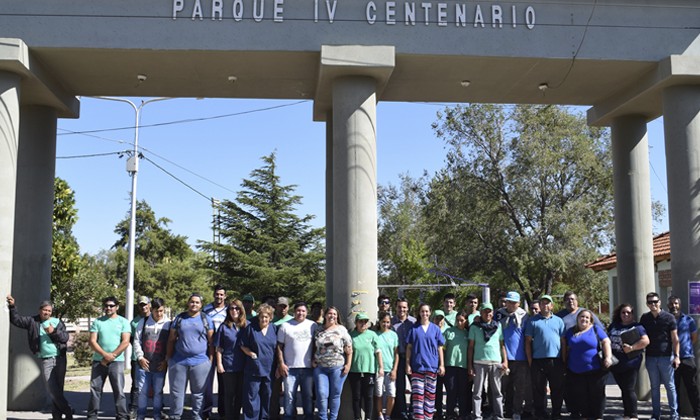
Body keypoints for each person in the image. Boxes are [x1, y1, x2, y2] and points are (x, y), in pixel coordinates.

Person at [7, 295, 73, 420]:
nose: (46, 312)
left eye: (49, 311)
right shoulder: (32, 321)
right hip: (46, 360)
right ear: (40, 310)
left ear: (51, 312)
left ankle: (57, 416)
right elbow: (16, 320)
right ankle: (67, 409)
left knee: (59, 389)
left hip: (60, 358)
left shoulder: (57, 322)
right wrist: (12, 307)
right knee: (52, 389)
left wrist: (53, 331)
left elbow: (65, 338)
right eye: (44, 310)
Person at [554, 291, 603, 419]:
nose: (570, 301)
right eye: (567, 300)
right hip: (569, 358)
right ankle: (574, 412)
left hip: (592, 362)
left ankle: (594, 414)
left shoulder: (586, 313)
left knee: (593, 390)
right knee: (572, 389)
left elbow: (600, 330)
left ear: (577, 301)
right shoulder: (559, 316)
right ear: (563, 302)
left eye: (573, 299)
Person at [167, 292, 215, 420]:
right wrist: (169, 359)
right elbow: (171, 339)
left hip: (200, 362)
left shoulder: (206, 319)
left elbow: (212, 342)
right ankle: (175, 416)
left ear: (201, 305)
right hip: (179, 362)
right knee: (177, 393)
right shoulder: (180, 318)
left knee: (198, 394)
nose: (194, 304)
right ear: (188, 303)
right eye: (192, 302)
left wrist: (210, 361)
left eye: (197, 302)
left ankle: (197, 417)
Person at [88, 296, 132, 420]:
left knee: (119, 390)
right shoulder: (98, 321)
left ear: (117, 307)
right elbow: (92, 341)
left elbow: (125, 342)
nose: (108, 308)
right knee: (95, 390)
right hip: (98, 361)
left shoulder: (123, 322)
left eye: (111, 305)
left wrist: (110, 357)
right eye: (106, 305)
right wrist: (105, 355)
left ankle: (122, 416)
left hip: (116, 362)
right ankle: (92, 416)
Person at [564, 309, 612, 420]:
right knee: (581, 395)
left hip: (596, 369)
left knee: (597, 394)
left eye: (587, 317)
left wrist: (608, 357)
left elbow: (606, 342)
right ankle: (584, 415)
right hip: (575, 370)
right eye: (582, 316)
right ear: (578, 318)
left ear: (590, 320)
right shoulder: (571, 331)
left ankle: (597, 416)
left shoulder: (596, 329)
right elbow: (566, 348)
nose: (584, 319)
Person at [524, 295, 566, 420]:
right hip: (538, 361)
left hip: (556, 360)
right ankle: (540, 413)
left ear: (552, 306)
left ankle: (556, 414)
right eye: (543, 303)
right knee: (538, 390)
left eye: (548, 303)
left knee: (557, 390)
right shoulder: (532, 321)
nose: (545, 305)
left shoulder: (558, 320)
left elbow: (563, 341)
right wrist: (530, 360)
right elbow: (527, 342)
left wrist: (563, 359)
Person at [640, 292, 680, 420]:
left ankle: (674, 414)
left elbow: (675, 338)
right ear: (647, 304)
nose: (653, 304)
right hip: (651, 357)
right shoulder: (645, 318)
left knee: (670, 386)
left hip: (666, 357)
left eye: (655, 301)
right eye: (650, 302)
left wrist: (677, 356)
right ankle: (656, 414)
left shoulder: (669, 317)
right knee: (654, 387)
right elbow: (641, 335)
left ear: (660, 302)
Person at [607, 303, 649, 420]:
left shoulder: (637, 327)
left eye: (628, 312)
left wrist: (632, 348)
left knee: (629, 389)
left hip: (631, 363)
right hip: (615, 363)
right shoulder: (614, 325)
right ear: (619, 314)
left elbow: (645, 341)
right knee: (624, 390)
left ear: (632, 315)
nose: (626, 314)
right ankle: (626, 415)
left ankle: (634, 416)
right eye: (623, 312)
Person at [277, 301, 317, 420]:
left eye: (303, 311)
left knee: (308, 396)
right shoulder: (285, 325)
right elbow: (279, 346)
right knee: (289, 396)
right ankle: (288, 417)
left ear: (307, 312)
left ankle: (308, 417)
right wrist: (281, 364)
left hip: (308, 368)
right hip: (290, 368)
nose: (301, 313)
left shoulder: (312, 325)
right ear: (294, 312)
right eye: (298, 311)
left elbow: (316, 345)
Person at [468, 303, 507, 420]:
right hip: (479, 362)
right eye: (485, 311)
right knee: (477, 392)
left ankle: (498, 415)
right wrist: (470, 365)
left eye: (489, 311)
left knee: (497, 392)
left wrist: (505, 361)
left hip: (495, 362)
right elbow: (470, 347)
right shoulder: (474, 327)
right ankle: (477, 416)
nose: (487, 314)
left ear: (493, 313)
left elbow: (502, 345)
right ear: (480, 313)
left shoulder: (498, 326)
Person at [406, 303, 445, 420]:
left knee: (430, 395)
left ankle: (428, 417)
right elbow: (409, 347)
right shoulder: (414, 328)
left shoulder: (435, 329)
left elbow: (440, 347)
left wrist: (442, 365)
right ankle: (419, 418)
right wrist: (407, 365)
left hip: (432, 366)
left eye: (427, 311)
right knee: (418, 396)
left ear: (430, 313)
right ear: (419, 313)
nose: (424, 314)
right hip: (417, 366)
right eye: (422, 311)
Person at [312, 306, 353, 420]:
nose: (332, 316)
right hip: (321, 368)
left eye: (334, 314)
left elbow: (349, 348)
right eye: (330, 313)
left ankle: (333, 418)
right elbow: (314, 346)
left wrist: (348, 365)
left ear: (337, 317)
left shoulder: (341, 330)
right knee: (321, 394)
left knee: (335, 395)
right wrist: (312, 359)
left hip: (337, 367)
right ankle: (323, 418)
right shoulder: (318, 329)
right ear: (325, 315)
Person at [134, 297, 171, 420]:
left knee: (158, 393)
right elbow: (136, 341)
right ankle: (141, 416)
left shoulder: (168, 324)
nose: (159, 314)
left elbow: (171, 344)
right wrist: (140, 357)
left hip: (160, 365)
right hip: (144, 365)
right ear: (152, 310)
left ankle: (157, 416)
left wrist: (166, 360)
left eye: (161, 311)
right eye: (156, 311)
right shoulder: (143, 322)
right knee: (143, 393)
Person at [495, 291, 530, 420]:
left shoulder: (525, 316)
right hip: (504, 358)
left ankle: (517, 411)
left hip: (520, 358)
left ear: (519, 303)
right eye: (509, 302)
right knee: (505, 387)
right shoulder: (498, 315)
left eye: (514, 302)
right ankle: (508, 409)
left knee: (519, 388)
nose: (511, 304)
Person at [240, 303, 278, 420]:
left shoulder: (274, 328)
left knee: (267, 395)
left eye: (266, 317)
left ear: (270, 318)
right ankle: (251, 418)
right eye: (262, 316)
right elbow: (242, 345)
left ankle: (264, 418)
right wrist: (250, 353)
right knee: (251, 396)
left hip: (269, 368)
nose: (264, 319)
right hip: (254, 367)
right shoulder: (251, 328)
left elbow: (278, 348)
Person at [214, 298, 248, 420]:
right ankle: (229, 417)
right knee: (229, 393)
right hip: (228, 365)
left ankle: (236, 416)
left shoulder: (247, 326)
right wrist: (219, 364)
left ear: (241, 310)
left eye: (237, 308)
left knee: (240, 393)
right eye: (232, 308)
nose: (234, 311)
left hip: (244, 365)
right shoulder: (224, 327)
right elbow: (218, 347)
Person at [668, 295, 700, 420]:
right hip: (671, 359)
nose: (673, 306)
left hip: (687, 358)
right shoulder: (666, 320)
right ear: (667, 306)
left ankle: (697, 412)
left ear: (679, 305)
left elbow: (694, 338)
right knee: (674, 387)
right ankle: (677, 413)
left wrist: (683, 349)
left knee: (691, 386)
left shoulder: (689, 320)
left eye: (676, 303)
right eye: (671, 304)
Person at [349, 312, 382, 420]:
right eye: (360, 321)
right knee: (356, 397)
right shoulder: (351, 335)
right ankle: (357, 417)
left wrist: (380, 367)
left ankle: (368, 417)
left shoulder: (372, 335)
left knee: (368, 397)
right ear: (356, 323)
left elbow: (378, 352)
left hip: (370, 370)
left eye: (365, 321)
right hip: (355, 370)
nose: (363, 323)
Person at [203, 285, 228, 420]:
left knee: (223, 384)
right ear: (214, 294)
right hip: (209, 349)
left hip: (224, 351)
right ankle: (206, 412)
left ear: (225, 296)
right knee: (207, 383)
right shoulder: (206, 309)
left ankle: (223, 412)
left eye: (221, 294)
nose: (219, 297)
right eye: (217, 294)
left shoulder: (229, 310)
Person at [391, 297, 416, 420]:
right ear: (395, 307)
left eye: (404, 307)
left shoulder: (413, 322)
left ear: (408, 308)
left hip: (413, 359)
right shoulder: (390, 322)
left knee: (415, 387)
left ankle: (412, 413)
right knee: (399, 388)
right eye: (399, 307)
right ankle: (402, 414)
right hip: (398, 359)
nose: (402, 309)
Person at [443, 311, 470, 420]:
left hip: (463, 367)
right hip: (450, 366)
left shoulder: (468, 333)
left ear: (466, 321)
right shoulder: (449, 332)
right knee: (451, 391)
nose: (459, 322)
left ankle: (462, 414)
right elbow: (442, 349)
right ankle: (449, 413)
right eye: (457, 320)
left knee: (462, 392)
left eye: (462, 320)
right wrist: (442, 364)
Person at [130, 296, 152, 419]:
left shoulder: (154, 319)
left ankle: (158, 408)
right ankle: (133, 409)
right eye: (141, 305)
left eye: (146, 304)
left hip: (153, 357)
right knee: (136, 385)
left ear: (149, 305)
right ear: (138, 307)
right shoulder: (134, 322)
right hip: (137, 359)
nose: (144, 307)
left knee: (155, 384)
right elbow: (132, 340)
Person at [375, 311, 400, 420]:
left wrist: (394, 369)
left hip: (390, 369)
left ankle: (388, 415)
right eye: (383, 322)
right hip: (378, 369)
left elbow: (397, 354)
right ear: (379, 322)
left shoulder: (393, 335)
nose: (385, 324)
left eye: (388, 322)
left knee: (391, 394)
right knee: (379, 394)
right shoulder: (375, 334)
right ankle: (380, 415)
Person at [271, 297, 292, 420]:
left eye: (285, 306)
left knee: (290, 392)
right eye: (280, 306)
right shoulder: (271, 321)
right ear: (276, 307)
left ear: (288, 307)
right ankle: (274, 415)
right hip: (274, 361)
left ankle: (291, 414)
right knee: (274, 392)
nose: (282, 309)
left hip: (290, 360)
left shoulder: (292, 321)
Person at [431, 310, 447, 420]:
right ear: (433, 319)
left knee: (448, 389)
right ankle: (436, 411)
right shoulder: (430, 330)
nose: (439, 320)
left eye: (441, 318)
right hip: (433, 363)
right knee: (436, 389)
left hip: (446, 362)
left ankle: (446, 411)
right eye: (437, 318)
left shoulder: (448, 330)